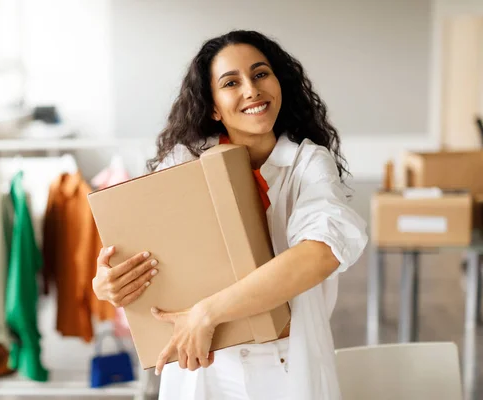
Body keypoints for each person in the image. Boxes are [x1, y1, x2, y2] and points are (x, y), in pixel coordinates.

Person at [93, 30, 368, 400]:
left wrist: (207, 313)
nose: (251, 90)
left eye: (260, 74)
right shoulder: (182, 163)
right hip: (203, 365)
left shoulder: (308, 163)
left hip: (286, 365)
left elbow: (321, 253)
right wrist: (107, 283)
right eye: (231, 82)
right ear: (213, 107)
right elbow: (147, 252)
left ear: (278, 83)